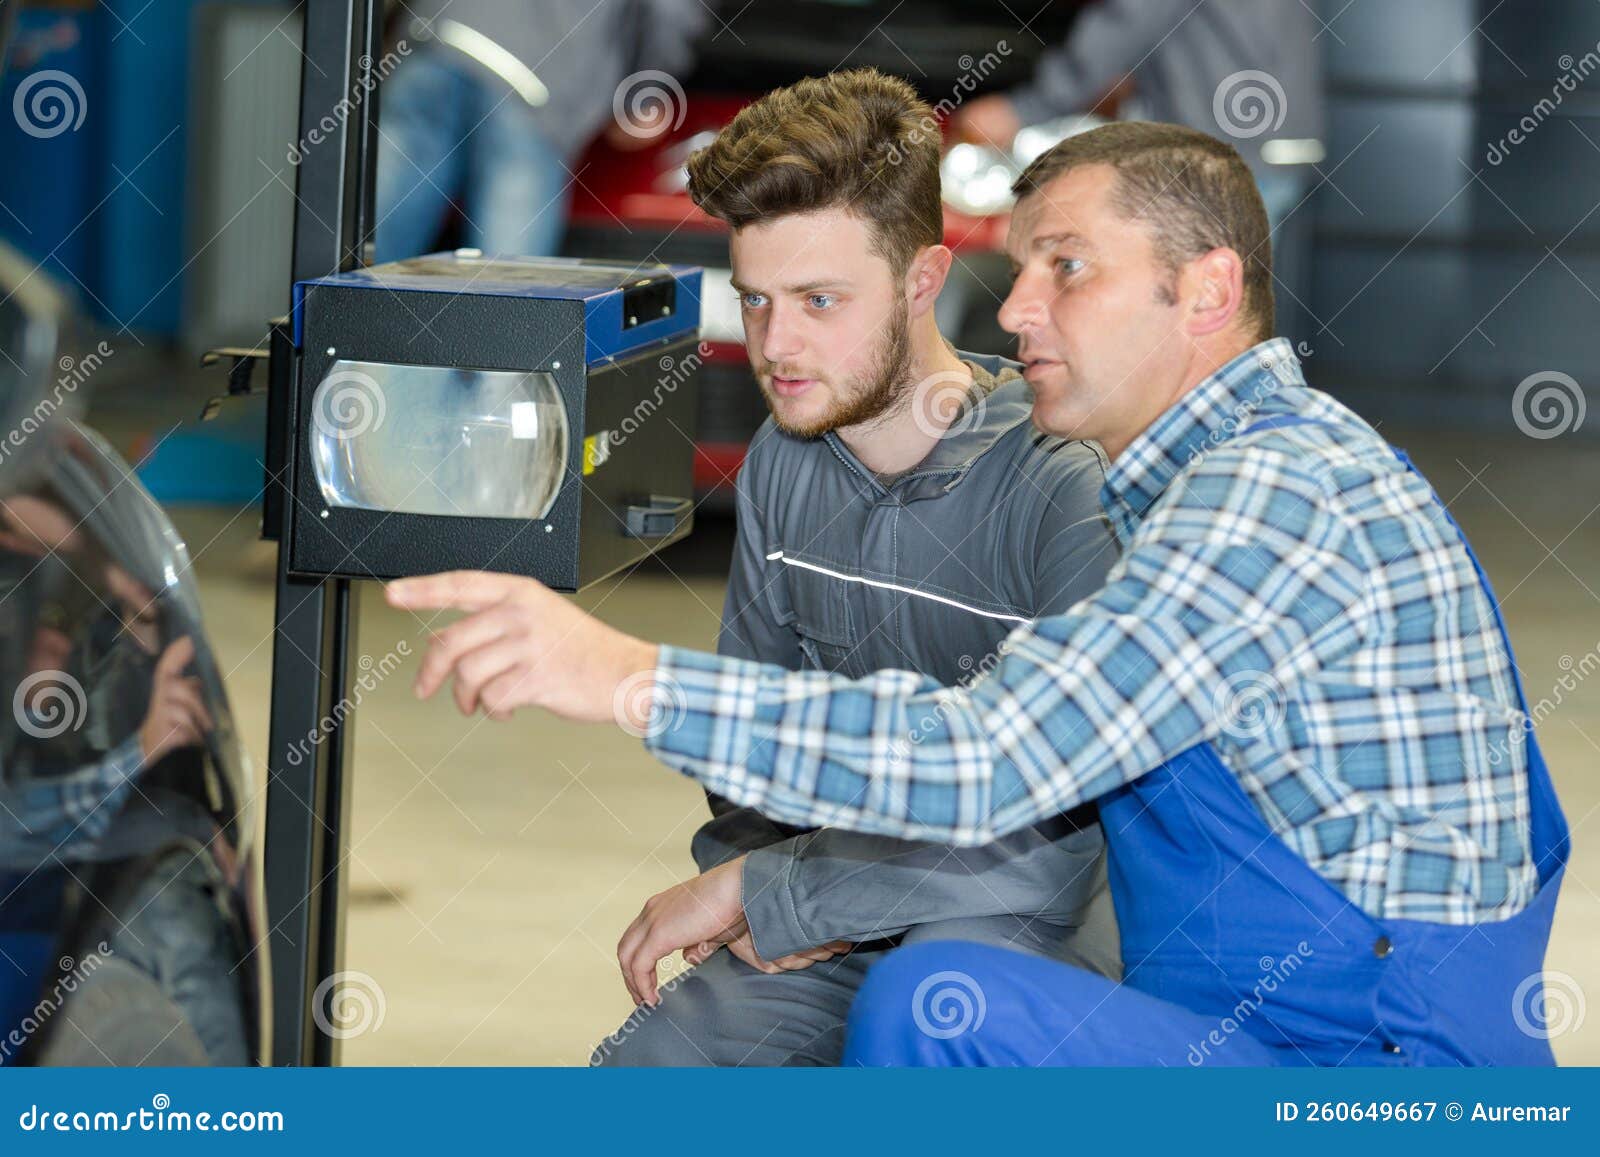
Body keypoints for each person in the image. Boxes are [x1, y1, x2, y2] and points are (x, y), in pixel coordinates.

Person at [387, 120, 1566, 1067]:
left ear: (1205, 291)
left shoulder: (1268, 496)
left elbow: (994, 757)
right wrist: (769, 889)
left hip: (1374, 1068)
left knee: (942, 1008)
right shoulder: (1198, 482)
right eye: (1021, 265)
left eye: (1067, 268)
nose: (1013, 310)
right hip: (1239, 1029)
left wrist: (629, 675)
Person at [591, 70, 1119, 1067]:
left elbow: (1061, 829)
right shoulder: (784, 463)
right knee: (652, 1068)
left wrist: (782, 895)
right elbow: (753, 758)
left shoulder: (1064, 484)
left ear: (923, 281)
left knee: (928, 1023)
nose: (775, 345)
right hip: (826, 904)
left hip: (1025, 918)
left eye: (819, 301)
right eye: (754, 299)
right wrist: (759, 892)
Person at [952, 0, 1324, 338]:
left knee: (1200, 322)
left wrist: (1024, 108)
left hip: (1219, 153)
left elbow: (1126, 22)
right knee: (1240, 312)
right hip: (1278, 142)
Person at [376, 0, 709, 261]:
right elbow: (672, 7)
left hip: (435, 40)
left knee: (368, 254)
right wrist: (643, 92)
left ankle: (347, 323)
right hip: (534, 79)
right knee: (506, 289)